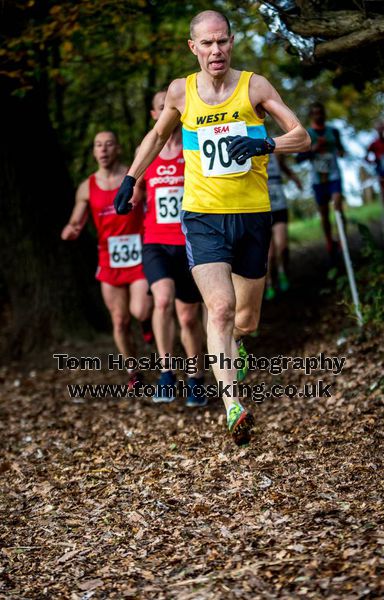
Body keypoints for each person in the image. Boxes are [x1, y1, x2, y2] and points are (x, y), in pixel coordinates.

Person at [114, 10, 310, 445]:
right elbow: (154, 136)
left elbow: (302, 135)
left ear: (232, 42)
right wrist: (131, 178)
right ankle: (233, 405)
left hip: (253, 215)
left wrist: (266, 142)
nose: (215, 50)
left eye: (222, 41)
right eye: (207, 43)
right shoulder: (181, 92)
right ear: (193, 47)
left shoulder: (253, 86)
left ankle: (239, 346)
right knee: (218, 308)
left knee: (246, 318)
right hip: (202, 217)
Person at [61, 131, 153, 389]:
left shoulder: (136, 178)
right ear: (93, 152)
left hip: (138, 255)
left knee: (140, 309)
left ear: (118, 149)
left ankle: (147, 323)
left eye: (109, 144)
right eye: (98, 145)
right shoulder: (86, 187)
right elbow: (77, 219)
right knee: (119, 320)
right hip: (109, 260)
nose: (103, 150)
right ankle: (133, 371)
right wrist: (72, 228)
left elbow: (153, 201)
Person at [134, 90, 206, 407]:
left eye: (172, 106)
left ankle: (196, 379)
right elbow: (134, 186)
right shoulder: (146, 149)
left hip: (189, 243)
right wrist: (131, 198)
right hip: (156, 242)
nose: (168, 111)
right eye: (161, 108)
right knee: (162, 300)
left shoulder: (193, 146)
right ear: (154, 115)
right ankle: (166, 374)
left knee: (189, 318)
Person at [298, 102, 345, 261]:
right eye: (315, 113)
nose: (319, 115)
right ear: (311, 116)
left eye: (321, 112)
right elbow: (299, 158)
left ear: (324, 114)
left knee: (338, 204)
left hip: (333, 175)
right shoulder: (307, 134)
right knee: (324, 214)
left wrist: (340, 151)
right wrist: (314, 150)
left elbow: (341, 148)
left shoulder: (334, 132)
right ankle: (329, 241)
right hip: (318, 180)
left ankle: (342, 238)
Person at [264, 154, 302, 301]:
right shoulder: (249, 149)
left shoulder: (276, 152)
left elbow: (285, 168)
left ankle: (283, 273)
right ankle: (269, 284)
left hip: (279, 204)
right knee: (270, 254)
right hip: (263, 207)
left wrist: (295, 179)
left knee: (282, 246)